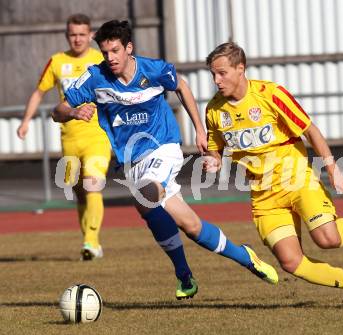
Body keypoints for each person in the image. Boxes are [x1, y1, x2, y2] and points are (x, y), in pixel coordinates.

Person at [52, 20, 278, 300]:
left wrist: (199, 129)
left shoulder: (153, 69)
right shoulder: (95, 78)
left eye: (115, 50)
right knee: (191, 226)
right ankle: (238, 258)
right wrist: (73, 113)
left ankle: (185, 273)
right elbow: (57, 110)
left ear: (128, 48)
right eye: (105, 52)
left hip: (164, 148)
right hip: (131, 163)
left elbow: (181, 86)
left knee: (147, 196)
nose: (110, 57)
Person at [203, 42, 343, 308]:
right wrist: (212, 162)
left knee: (328, 239)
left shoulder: (271, 95)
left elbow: (310, 130)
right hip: (264, 195)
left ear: (240, 69)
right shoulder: (214, 110)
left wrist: (333, 171)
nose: (216, 80)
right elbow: (215, 149)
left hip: (298, 181)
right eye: (213, 74)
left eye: (221, 73)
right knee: (291, 262)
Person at [17, 14, 112, 261]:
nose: (78, 39)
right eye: (73, 34)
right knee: (79, 190)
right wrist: (26, 121)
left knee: (93, 184)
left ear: (91, 35)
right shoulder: (57, 62)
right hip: (69, 138)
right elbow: (39, 93)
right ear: (66, 36)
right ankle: (91, 243)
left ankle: (90, 242)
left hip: (98, 136)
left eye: (82, 34)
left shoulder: (101, 59)